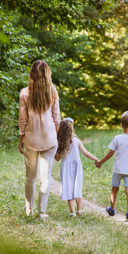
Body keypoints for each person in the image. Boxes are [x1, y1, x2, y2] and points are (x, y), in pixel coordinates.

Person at [18, 60, 61, 219]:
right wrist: (55, 138)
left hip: (31, 140)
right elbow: (57, 120)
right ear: (47, 74)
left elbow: (22, 121)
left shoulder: (24, 93)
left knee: (30, 177)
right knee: (46, 177)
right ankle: (41, 212)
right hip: (49, 140)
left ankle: (29, 209)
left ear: (31, 74)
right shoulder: (53, 92)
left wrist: (20, 139)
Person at [54, 118, 99, 217]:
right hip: (76, 168)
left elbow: (57, 159)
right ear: (71, 129)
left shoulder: (60, 143)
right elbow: (86, 153)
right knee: (77, 188)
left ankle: (72, 212)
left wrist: (52, 151)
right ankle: (79, 211)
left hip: (66, 169)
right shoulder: (76, 141)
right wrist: (96, 159)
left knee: (69, 189)